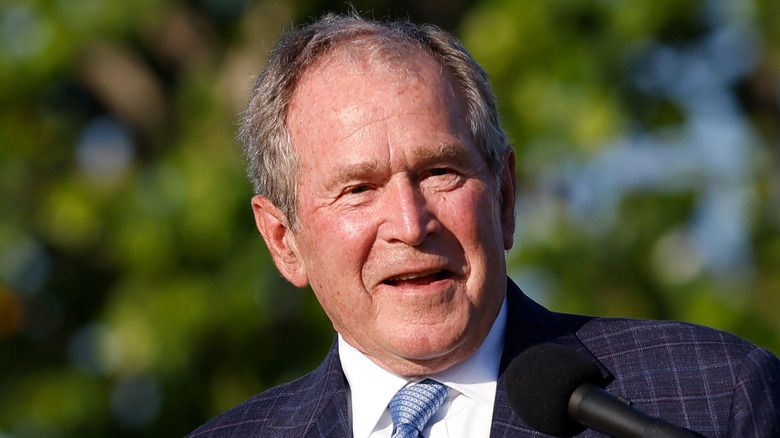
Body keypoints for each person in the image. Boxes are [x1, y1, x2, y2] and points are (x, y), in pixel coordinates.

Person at [187, 13, 780, 438]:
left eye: (440, 172)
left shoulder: (709, 398)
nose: (410, 224)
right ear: (283, 242)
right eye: (359, 189)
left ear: (504, 197)